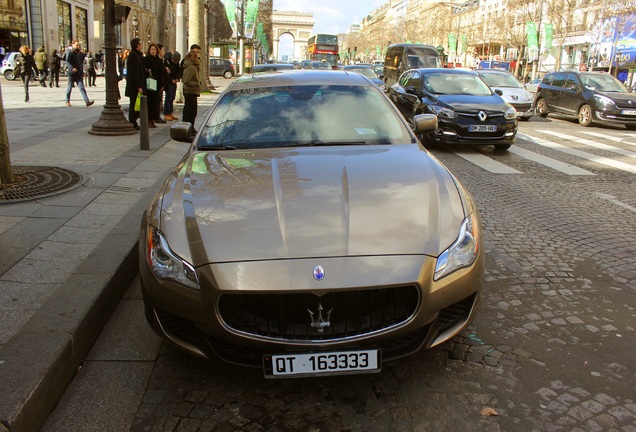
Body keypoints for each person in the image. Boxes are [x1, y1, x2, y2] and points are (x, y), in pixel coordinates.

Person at [125, 38, 147, 131]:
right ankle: (132, 121)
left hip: (137, 85)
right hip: (134, 87)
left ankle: (134, 121)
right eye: (140, 44)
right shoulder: (133, 56)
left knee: (135, 104)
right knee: (134, 104)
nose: (141, 46)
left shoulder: (137, 55)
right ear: (137, 46)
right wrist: (139, 86)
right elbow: (135, 72)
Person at [65, 40, 94, 107]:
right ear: (73, 45)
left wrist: (81, 71)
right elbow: (67, 61)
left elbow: (81, 63)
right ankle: (67, 101)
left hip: (78, 73)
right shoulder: (70, 52)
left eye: (79, 45)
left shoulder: (80, 54)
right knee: (69, 87)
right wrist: (72, 68)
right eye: (77, 45)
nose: (78, 46)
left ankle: (87, 101)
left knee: (82, 87)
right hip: (72, 73)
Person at [143, 43, 165, 127]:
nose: (153, 51)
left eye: (154, 49)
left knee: (156, 102)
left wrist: (162, 84)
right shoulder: (146, 60)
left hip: (157, 84)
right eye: (151, 49)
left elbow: (161, 73)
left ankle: (153, 119)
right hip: (149, 84)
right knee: (149, 103)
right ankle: (149, 120)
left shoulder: (159, 61)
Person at [182, 44, 201, 133]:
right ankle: (188, 127)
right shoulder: (191, 67)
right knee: (191, 111)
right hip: (190, 92)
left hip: (192, 92)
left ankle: (190, 127)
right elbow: (186, 80)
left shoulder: (192, 66)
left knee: (191, 111)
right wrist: (196, 84)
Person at [163, 51, 181, 121]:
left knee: (172, 97)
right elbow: (166, 73)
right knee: (168, 97)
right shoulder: (167, 62)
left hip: (174, 81)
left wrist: (177, 78)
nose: (175, 62)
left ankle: (170, 112)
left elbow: (177, 71)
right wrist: (171, 80)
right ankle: (166, 113)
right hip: (169, 82)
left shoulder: (176, 63)